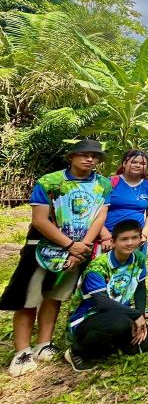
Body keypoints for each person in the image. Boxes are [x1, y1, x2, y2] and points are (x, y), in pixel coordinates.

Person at [0, 139, 111, 377]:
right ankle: (22, 351)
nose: (90, 159)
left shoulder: (102, 184)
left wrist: (83, 246)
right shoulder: (49, 182)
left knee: (55, 296)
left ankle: (43, 343)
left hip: (78, 250)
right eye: (84, 155)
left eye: (94, 156)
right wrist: (70, 244)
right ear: (71, 157)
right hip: (43, 249)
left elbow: (99, 217)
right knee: (29, 297)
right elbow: (39, 220)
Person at [64, 220, 148, 371]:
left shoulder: (138, 258)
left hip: (118, 314)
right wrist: (135, 315)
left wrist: (141, 319)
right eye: (124, 239)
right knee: (120, 323)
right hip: (88, 318)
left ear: (140, 239)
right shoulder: (98, 266)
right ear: (113, 241)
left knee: (146, 342)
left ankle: (110, 344)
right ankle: (76, 351)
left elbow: (140, 288)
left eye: (134, 238)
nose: (130, 243)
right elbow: (102, 303)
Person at [100, 149, 148, 255]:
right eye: (134, 162)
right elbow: (95, 212)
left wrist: (144, 234)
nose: (138, 165)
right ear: (124, 163)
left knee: (134, 270)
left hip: (136, 240)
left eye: (142, 163)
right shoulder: (109, 183)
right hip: (109, 239)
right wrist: (105, 235)